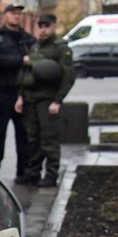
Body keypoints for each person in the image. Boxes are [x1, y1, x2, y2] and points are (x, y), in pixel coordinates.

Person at [15, 14, 76, 188]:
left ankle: (51, 175)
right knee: (32, 138)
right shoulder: (34, 48)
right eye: (40, 26)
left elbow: (68, 77)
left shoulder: (60, 49)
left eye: (46, 26)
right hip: (31, 100)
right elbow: (26, 75)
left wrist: (58, 101)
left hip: (48, 101)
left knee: (49, 139)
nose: (42, 30)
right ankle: (32, 173)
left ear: (53, 27)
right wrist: (21, 97)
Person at [0, 4, 36, 181]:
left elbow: (36, 59)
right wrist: (20, 60)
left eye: (18, 14)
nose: (16, 16)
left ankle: (23, 171)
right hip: (3, 91)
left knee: (23, 133)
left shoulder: (27, 39)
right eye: (13, 13)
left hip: (22, 92)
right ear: (5, 16)